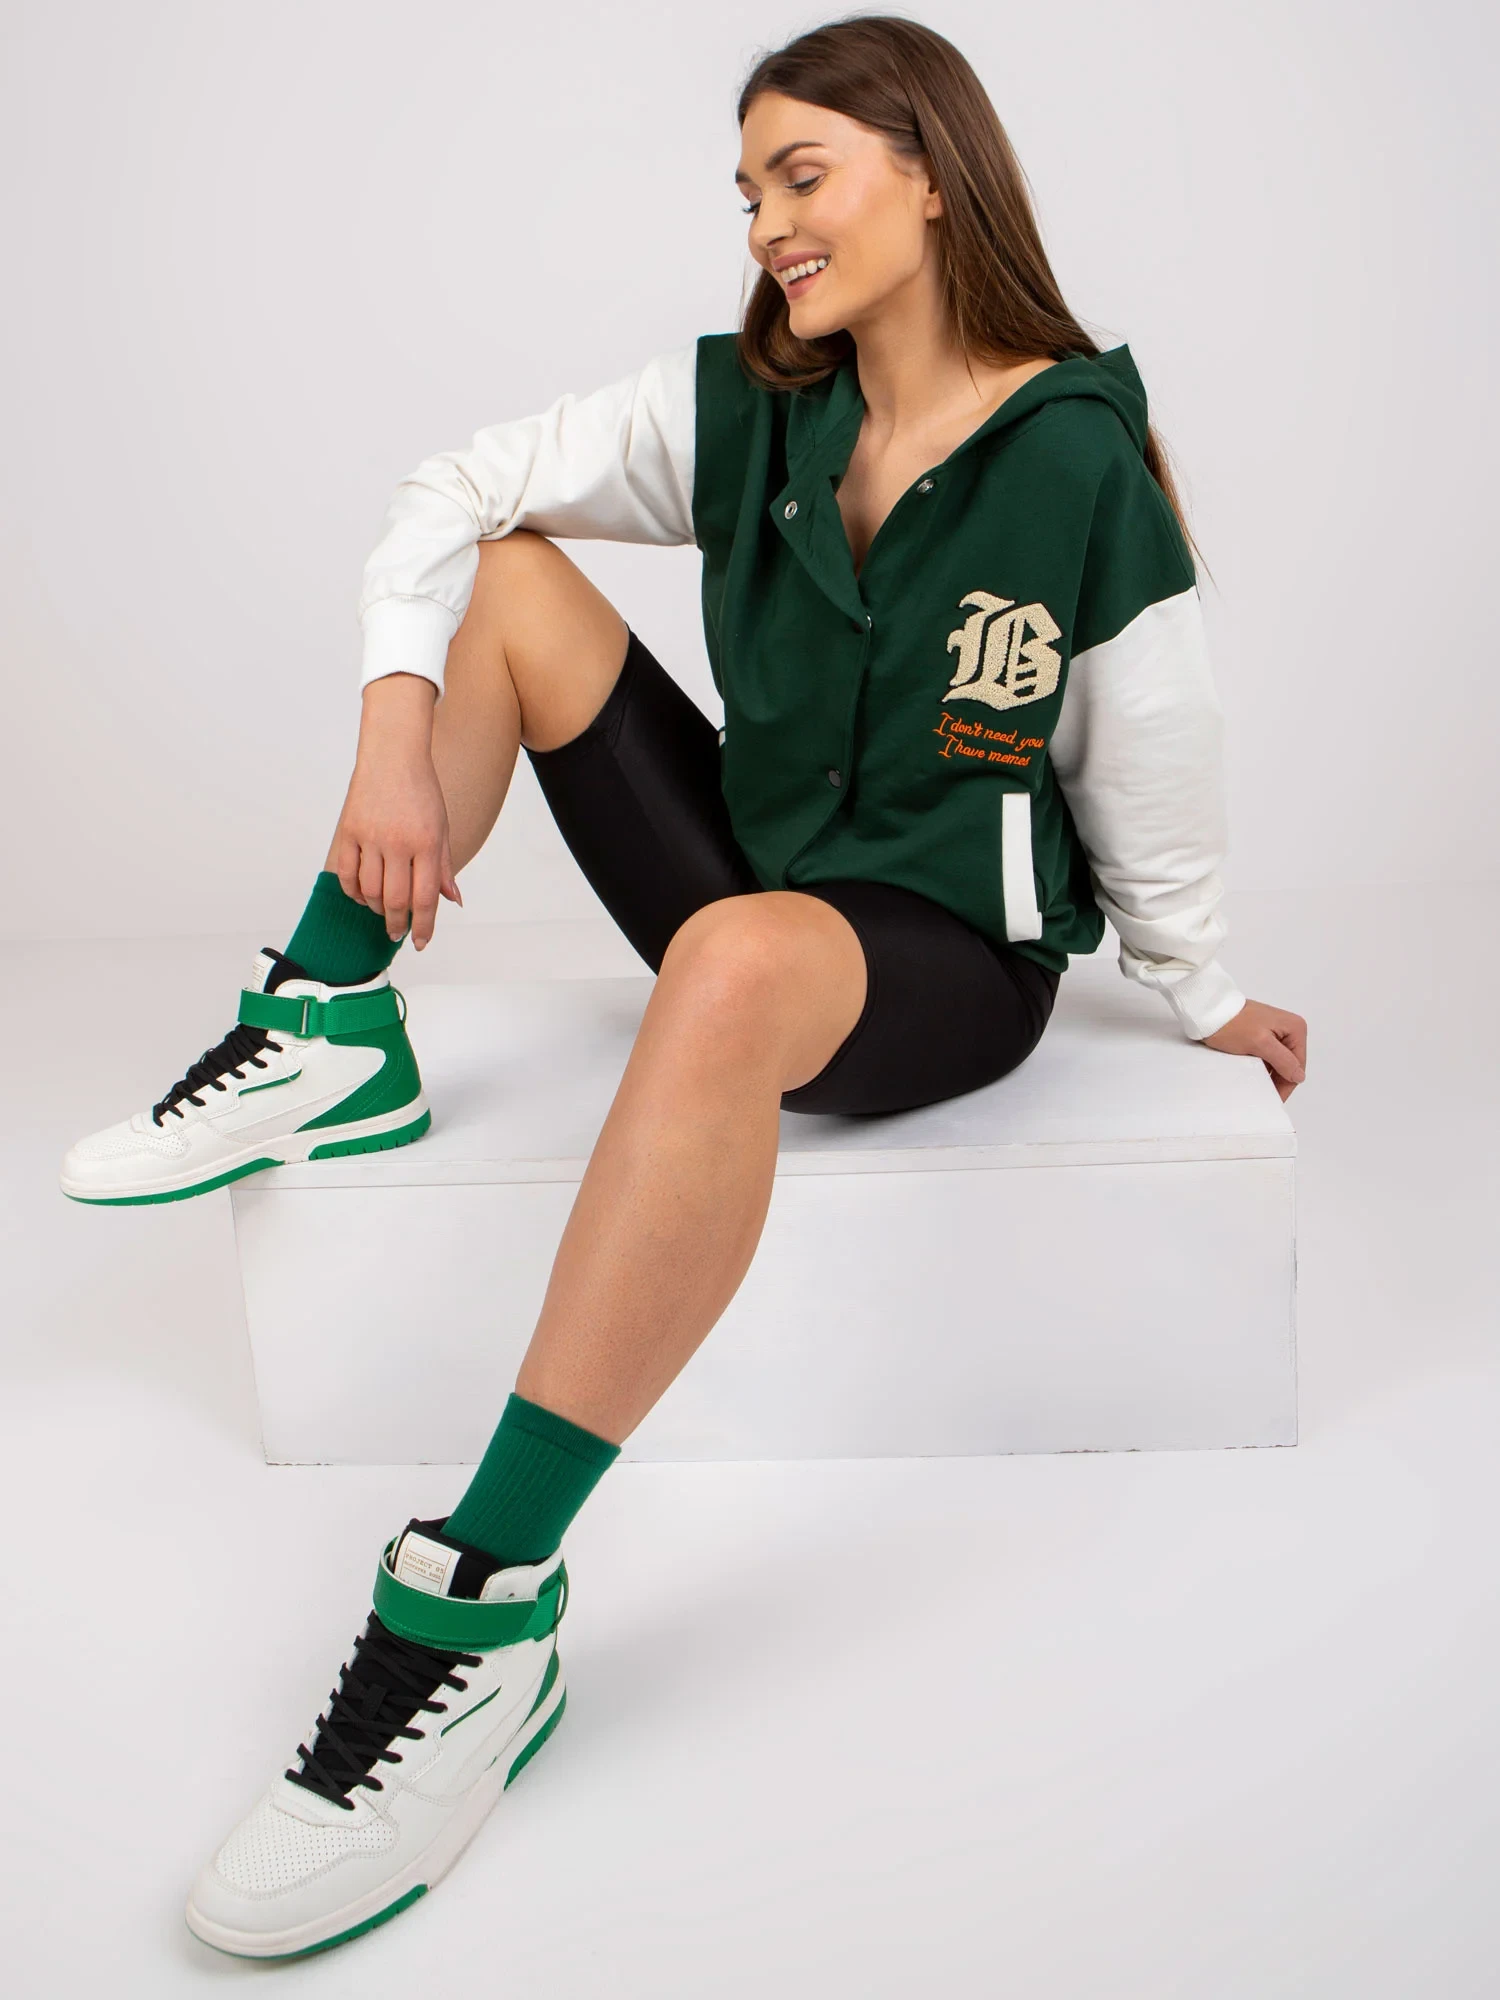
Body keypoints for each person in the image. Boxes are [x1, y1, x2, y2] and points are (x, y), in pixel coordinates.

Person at [60, 13, 1307, 1962]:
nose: (767, 223)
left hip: (939, 965)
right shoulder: (750, 404)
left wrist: (1200, 982)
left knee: (728, 959)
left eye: (803, 174)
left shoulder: (1075, 452)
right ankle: (332, 1020)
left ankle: (477, 1609)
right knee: (508, 575)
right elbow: (453, 487)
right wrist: (394, 727)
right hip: (762, 902)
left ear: (931, 173)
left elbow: (1155, 746)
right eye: (747, 191)